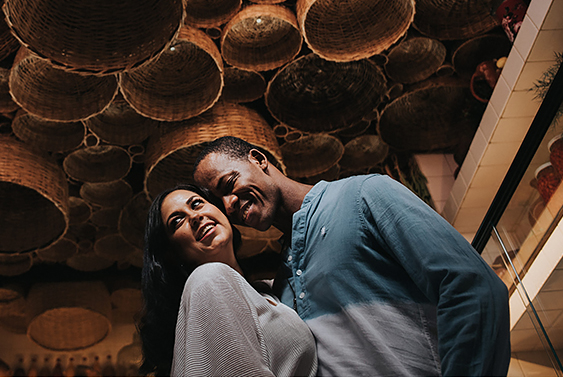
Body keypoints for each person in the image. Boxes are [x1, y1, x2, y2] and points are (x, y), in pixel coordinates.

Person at [193, 136, 511, 377]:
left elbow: (472, 288)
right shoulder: (281, 285)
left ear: (258, 159)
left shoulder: (363, 195)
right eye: (220, 203)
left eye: (229, 183)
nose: (230, 204)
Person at [139, 183, 317, 377]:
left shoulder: (270, 289)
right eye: (177, 221)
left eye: (197, 203)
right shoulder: (208, 278)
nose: (195, 216)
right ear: (171, 254)